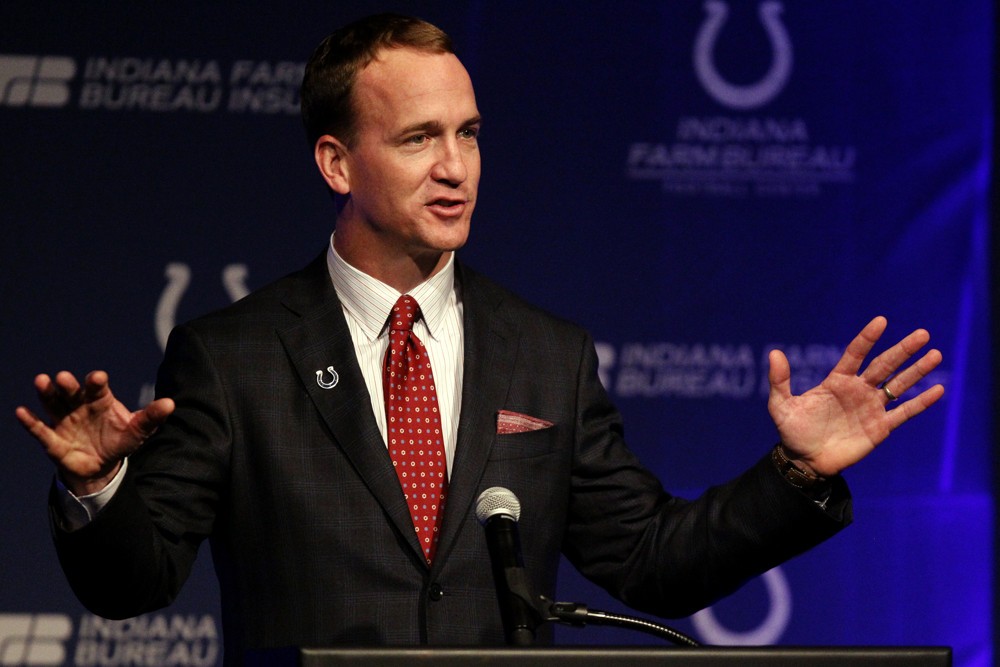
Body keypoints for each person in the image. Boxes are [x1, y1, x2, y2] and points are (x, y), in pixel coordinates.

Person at [16, 12, 944, 663]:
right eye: (419, 138)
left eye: (468, 132)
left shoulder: (548, 352)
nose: (457, 167)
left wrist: (798, 473)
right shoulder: (236, 355)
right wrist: (99, 485)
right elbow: (134, 583)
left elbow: (653, 560)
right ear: (338, 161)